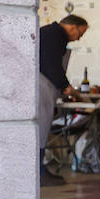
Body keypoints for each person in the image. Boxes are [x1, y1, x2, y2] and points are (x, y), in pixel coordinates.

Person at [37, 15, 88, 185]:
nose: (79, 38)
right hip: (41, 85)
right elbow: (52, 66)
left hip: (42, 85)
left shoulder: (50, 33)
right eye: (80, 33)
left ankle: (39, 169)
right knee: (41, 129)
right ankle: (39, 172)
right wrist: (68, 88)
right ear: (73, 27)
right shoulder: (55, 35)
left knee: (41, 129)